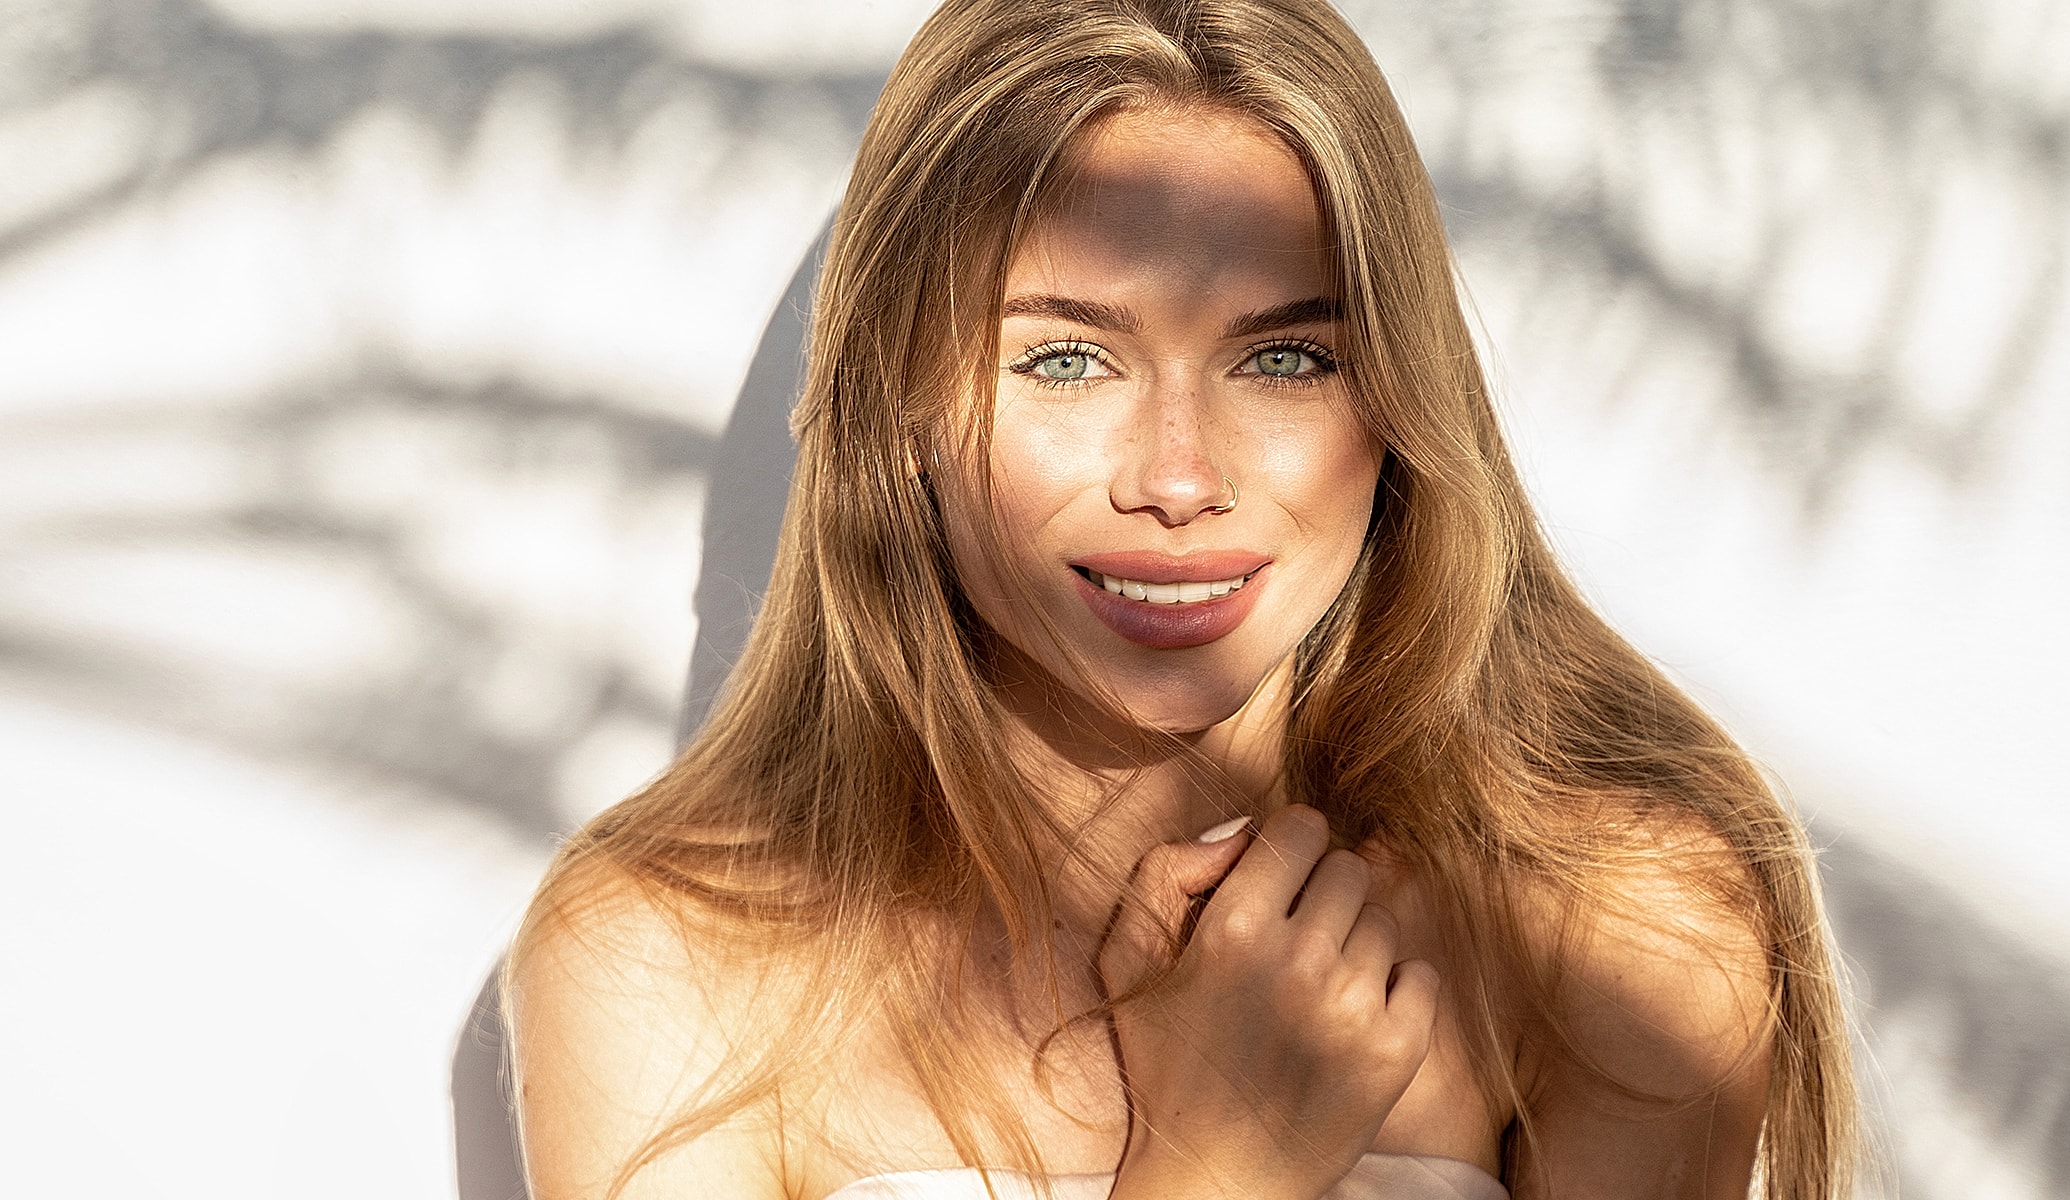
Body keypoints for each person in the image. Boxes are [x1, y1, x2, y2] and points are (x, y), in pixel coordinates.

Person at [504, 1, 1858, 1197]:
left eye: (1281, 360)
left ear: (1399, 401)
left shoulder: (1609, 923)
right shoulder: (666, 960)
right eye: (1068, 361)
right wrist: (1219, 1166)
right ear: (897, 401)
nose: (1179, 479)